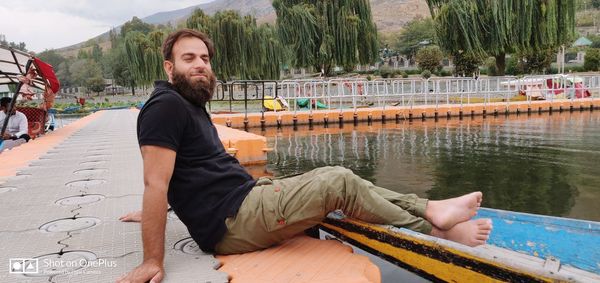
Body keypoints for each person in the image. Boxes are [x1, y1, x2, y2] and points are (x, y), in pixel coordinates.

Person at [116, 29, 492, 283]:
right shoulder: (165, 106)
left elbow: (182, 174)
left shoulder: (188, 103)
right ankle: (437, 229)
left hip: (245, 200)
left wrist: (158, 208)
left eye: (205, 58)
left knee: (346, 179)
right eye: (189, 59)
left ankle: (427, 206)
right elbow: (156, 181)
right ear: (169, 67)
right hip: (232, 222)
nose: (200, 65)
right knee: (338, 181)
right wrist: (153, 259)